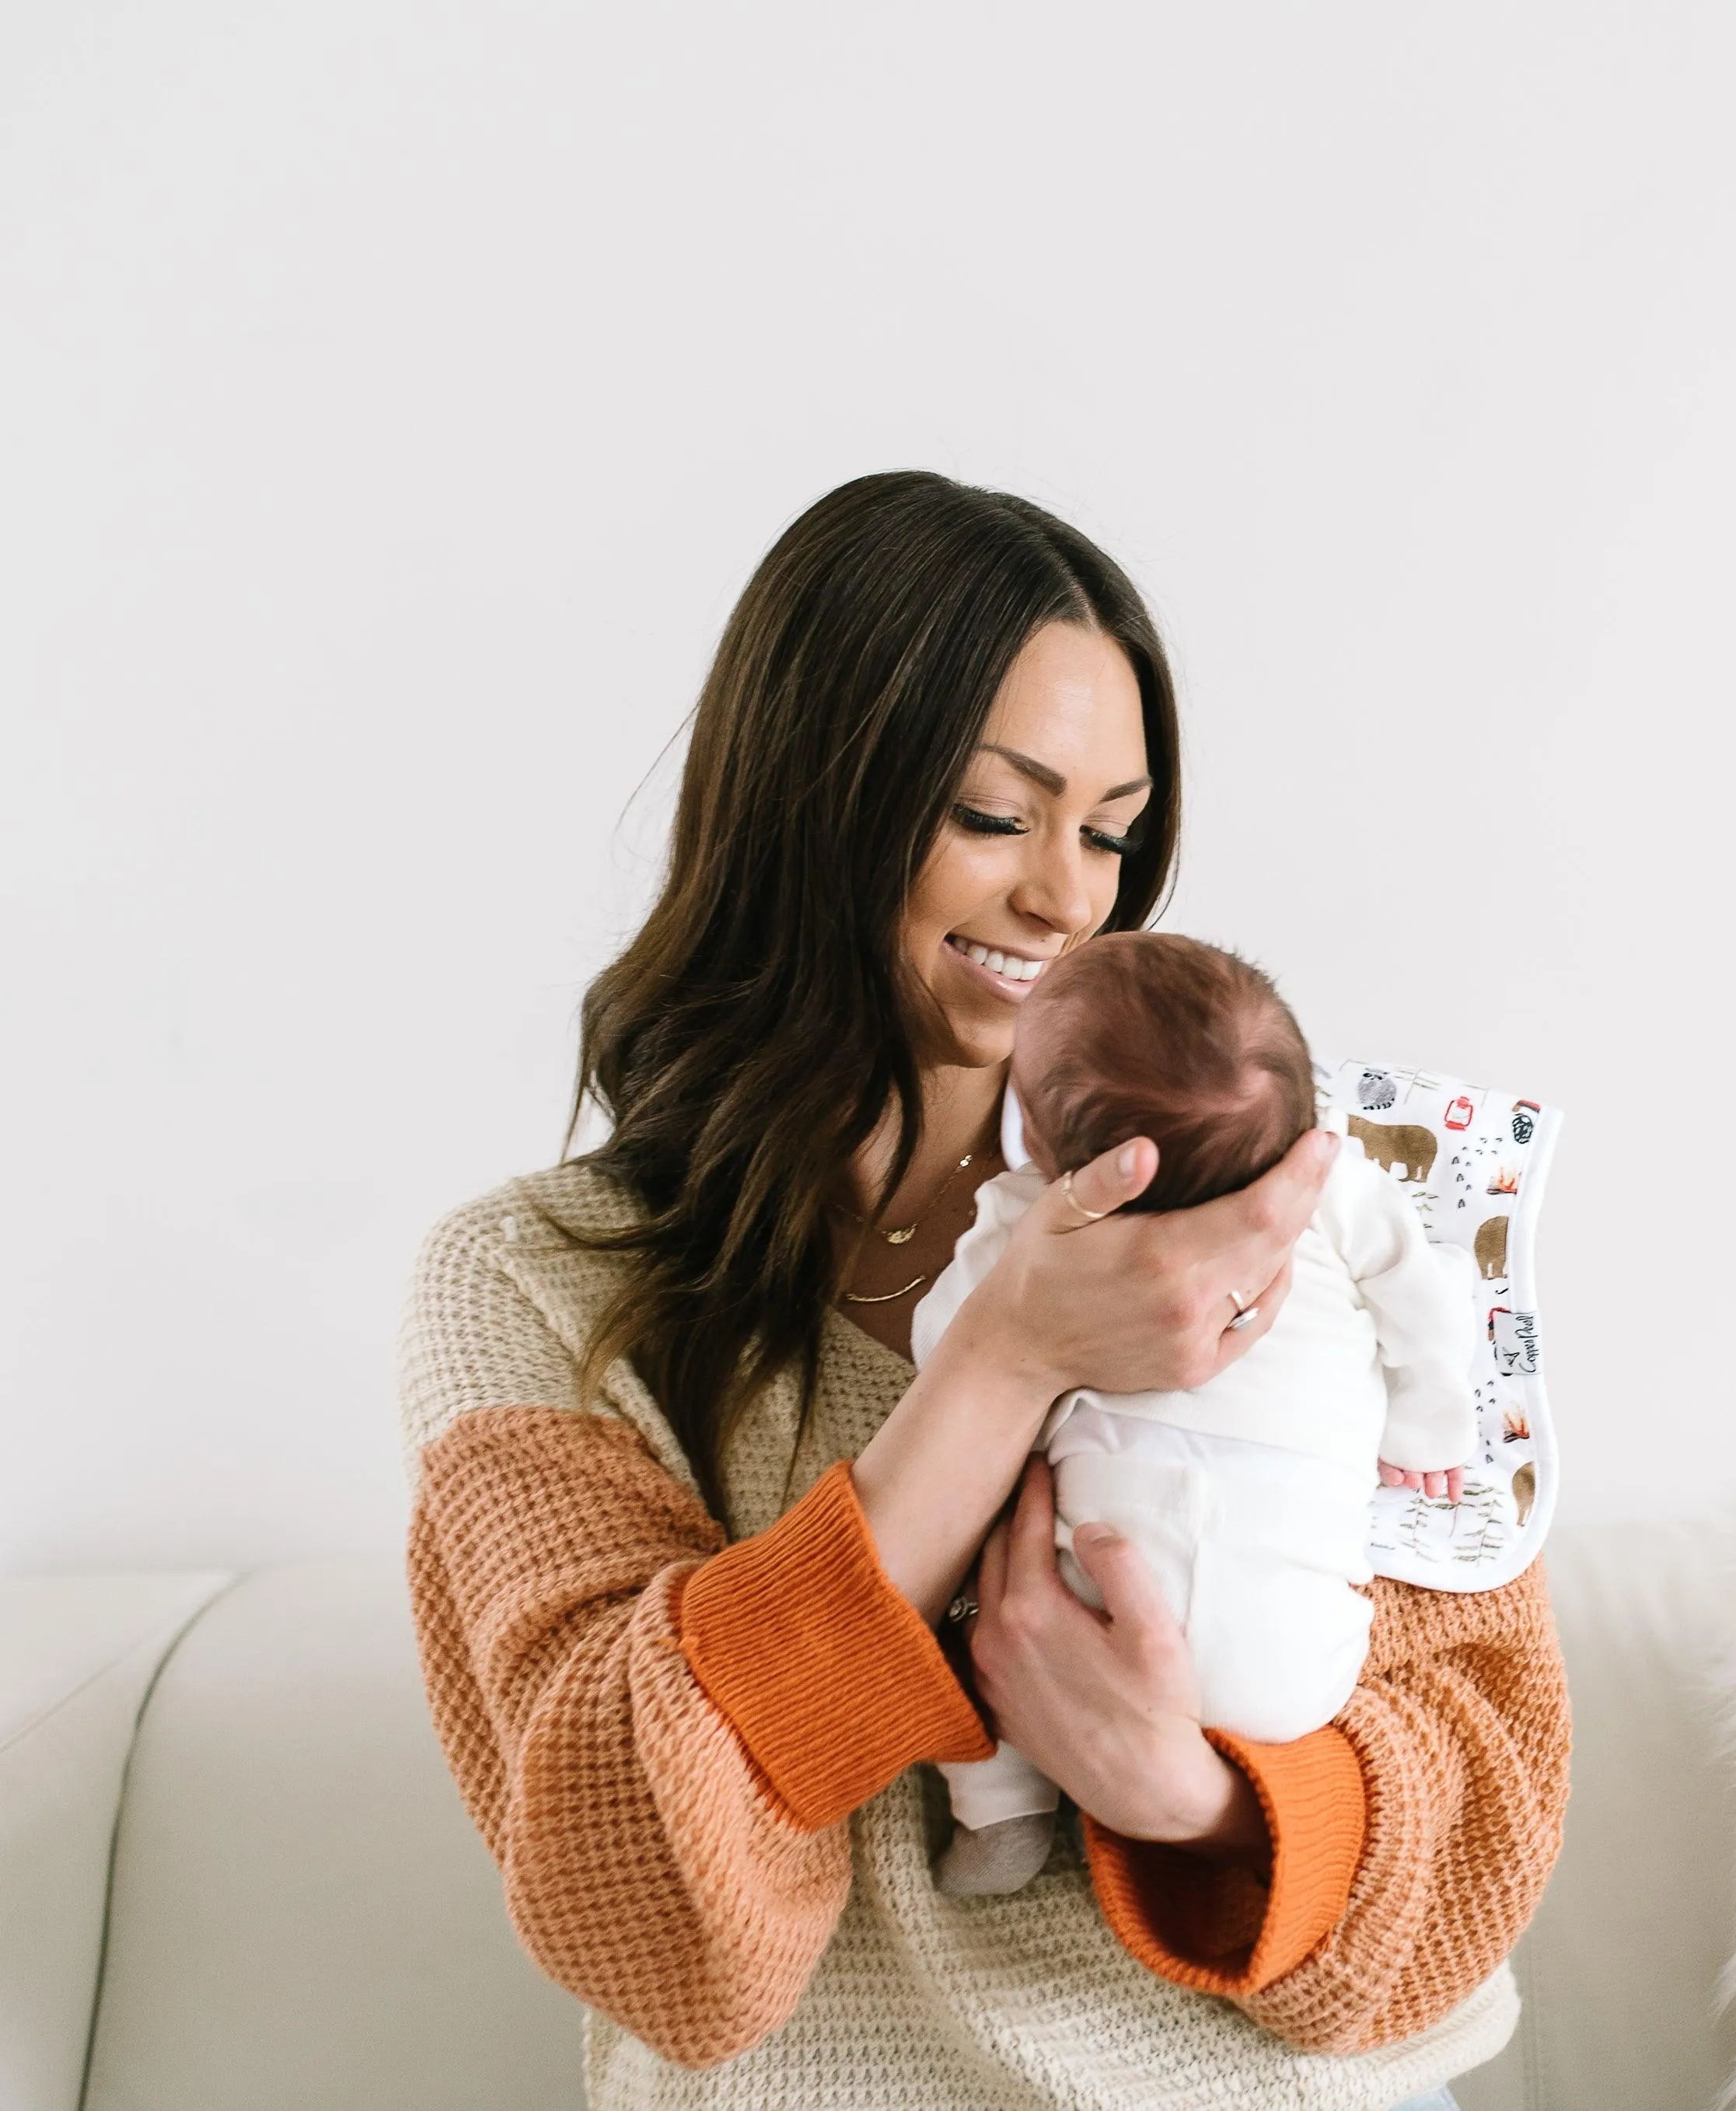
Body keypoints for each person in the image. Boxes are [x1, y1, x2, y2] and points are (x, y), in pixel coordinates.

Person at [399, 471, 1567, 2110]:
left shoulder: (1294, 1204)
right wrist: (1001, 1362)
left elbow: (1477, 1832)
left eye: (1108, 831)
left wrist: (1194, 1799)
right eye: (991, 815)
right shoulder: (539, 1285)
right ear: (810, 799)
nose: (1066, 896)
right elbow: (652, 1922)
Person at [915, 931, 1481, 1896]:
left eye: (1111, 834)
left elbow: (944, 1347)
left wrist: (1014, 1339)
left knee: (959, 1616)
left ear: (1047, 1141)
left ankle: (1002, 1805)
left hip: (1076, 1602)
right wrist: (1428, 1433)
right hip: (1298, 1675)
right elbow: (1425, 1310)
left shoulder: (1025, 1218)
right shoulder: (1342, 1190)